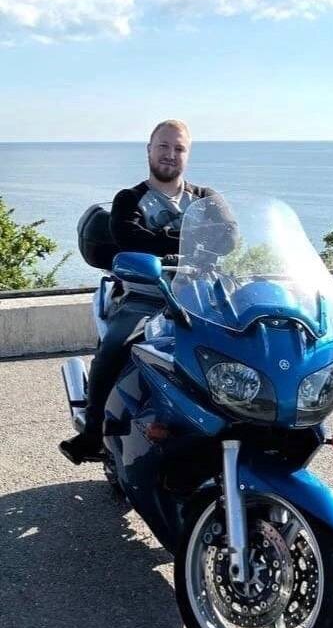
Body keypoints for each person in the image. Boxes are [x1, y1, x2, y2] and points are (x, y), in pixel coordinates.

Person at [60, 119, 217, 464]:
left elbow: (229, 237)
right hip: (144, 294)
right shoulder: (129, 198)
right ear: (149, 150)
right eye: (163, 146)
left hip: (200, 295)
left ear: (187, 154)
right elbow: (130, 237)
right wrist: (192, 241)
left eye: (178, 148)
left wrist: (166, 243)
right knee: (114, 347)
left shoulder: (206, 198)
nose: (170, 154)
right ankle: (92, 433)